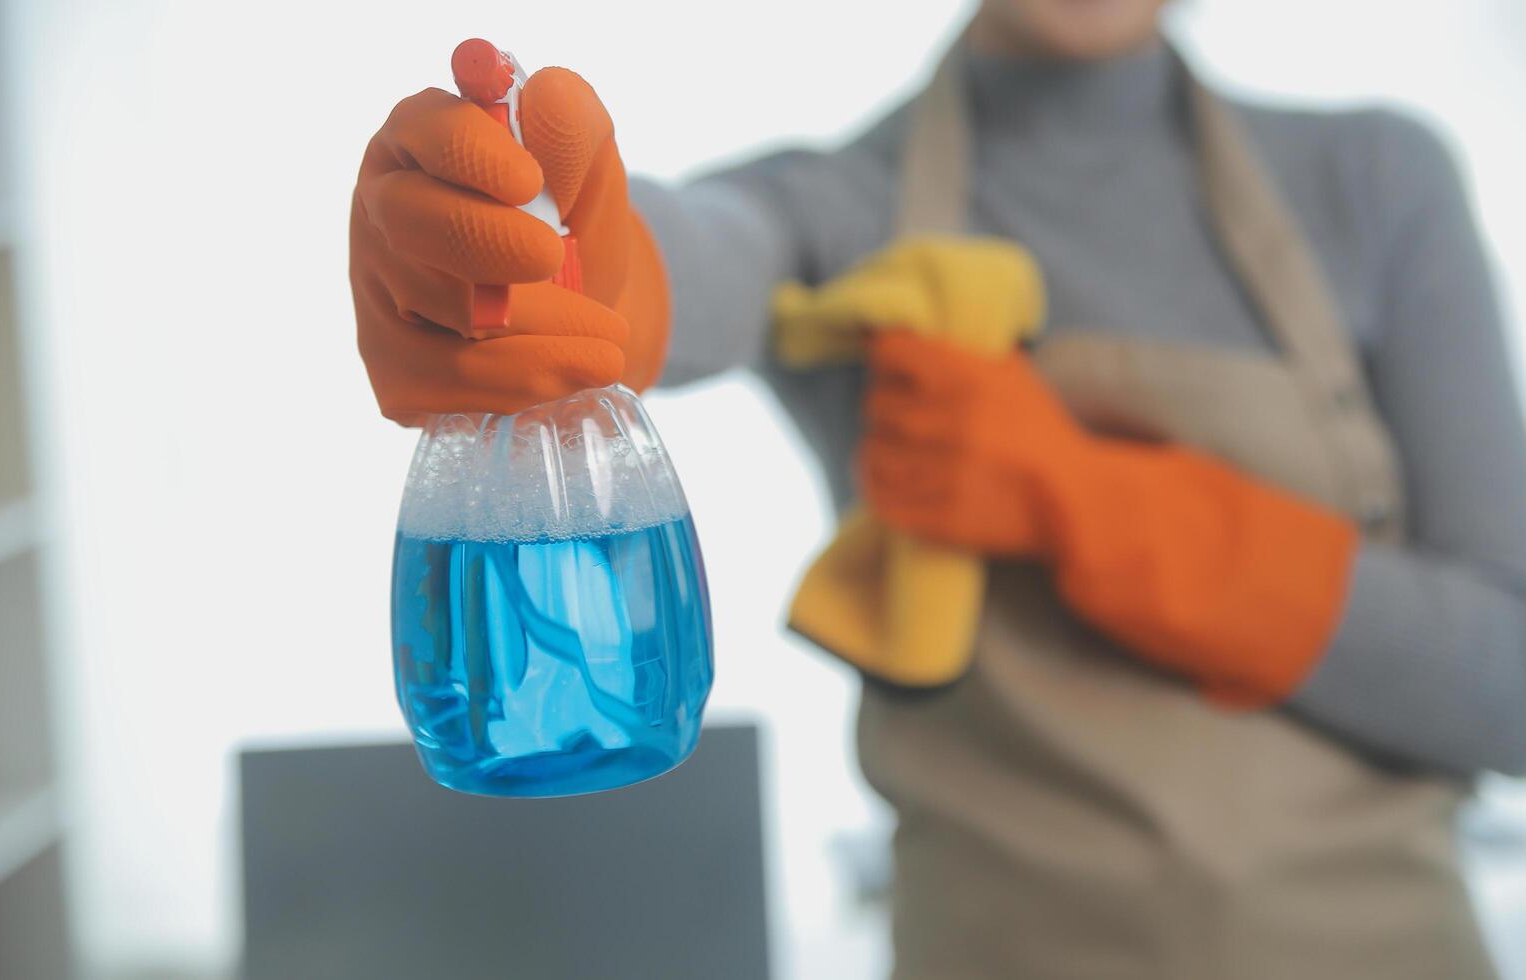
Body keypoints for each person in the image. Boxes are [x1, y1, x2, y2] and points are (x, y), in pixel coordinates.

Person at [349, 0, 1526, 975]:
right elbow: (692, 255)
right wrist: (545, 257)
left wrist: (1084, 497)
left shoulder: (1376, 182)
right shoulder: (842, 210)